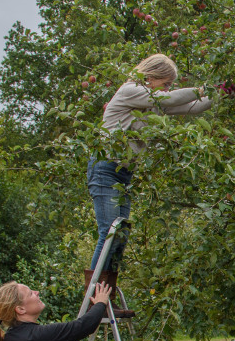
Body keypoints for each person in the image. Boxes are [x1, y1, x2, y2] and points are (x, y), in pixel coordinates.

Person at [88, 53, 213, 303]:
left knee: (120, 234)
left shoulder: (153, 102)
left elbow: (193, 107)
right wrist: (201, 89)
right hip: (105, 168)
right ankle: (93, 296)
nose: (169, 89)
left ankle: (105, 298)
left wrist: (220, 92)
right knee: (110, 232)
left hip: (123, 174)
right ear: (151, 76)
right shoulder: (130, 90)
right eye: (166, 82)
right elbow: (173, 97)